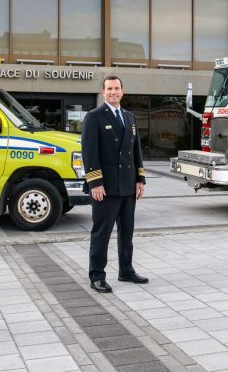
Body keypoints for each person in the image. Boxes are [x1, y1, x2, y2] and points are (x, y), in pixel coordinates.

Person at [82, 75, 147, 293]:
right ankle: (97, 276)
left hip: (128, 186)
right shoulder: (94, 117)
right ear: (103, 92)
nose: (113, 92)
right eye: (109, 88)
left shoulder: (129, 117)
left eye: (116, 88)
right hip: (105, 187)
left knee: (126, 232)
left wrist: (140, 179)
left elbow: (135, 150)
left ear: (122, 91)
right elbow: (89, 153)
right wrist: (95, 183)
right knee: (101, 233)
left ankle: (126, 270)